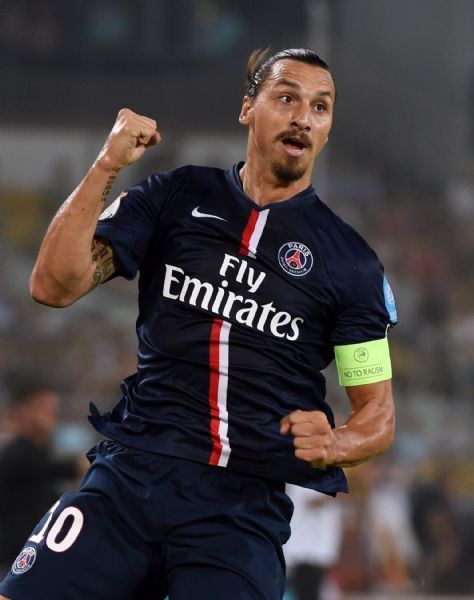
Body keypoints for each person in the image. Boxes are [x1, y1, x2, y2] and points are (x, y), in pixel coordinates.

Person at [0, 48, 397, 600]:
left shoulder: (350, 263)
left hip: (238, 511)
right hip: (131, 475)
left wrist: (334, 442)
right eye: (287, 98)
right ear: (248, 109)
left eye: (320, 107)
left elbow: (378, 415)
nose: (303, 118)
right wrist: (107, 165)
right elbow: (52, 285)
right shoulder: (174, 196)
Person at [0, 374, 85, 576]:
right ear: (22, 410)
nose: (51, 414)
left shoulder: (43, 452)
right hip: (10, 563)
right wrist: (79, 465)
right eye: (43, 407)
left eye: (53, 409)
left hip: (33, 561)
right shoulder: (15, 453)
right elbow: (45, 468)